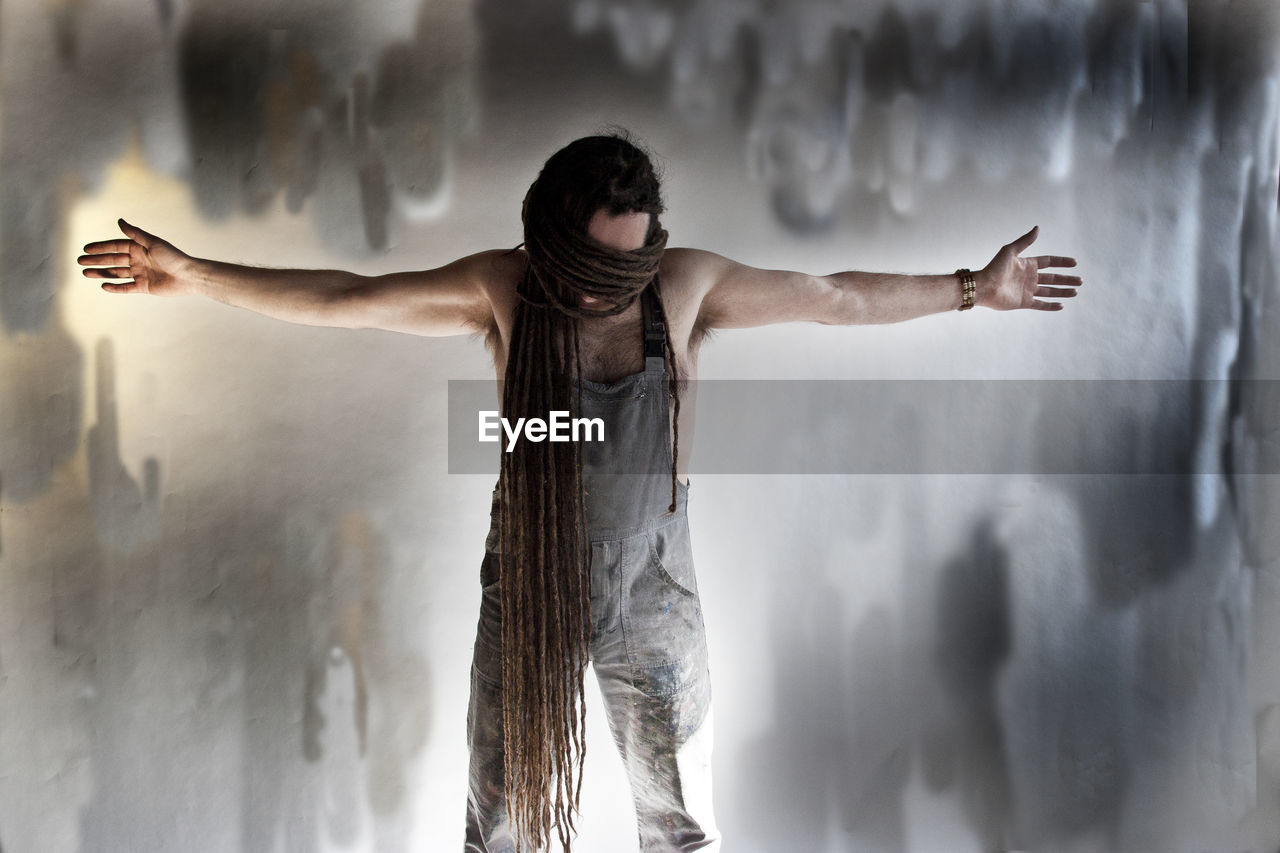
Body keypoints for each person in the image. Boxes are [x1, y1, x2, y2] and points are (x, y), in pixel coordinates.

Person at [79, 133, 1080, 853]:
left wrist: (965, 287)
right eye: (592, 260)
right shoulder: (500, 288)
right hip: (529, 583)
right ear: (548, 235)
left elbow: (835, 295)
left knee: (671, 815)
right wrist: (192, 272)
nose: (610, 283)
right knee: (502, 815)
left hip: (652, 590)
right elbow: (346, 296)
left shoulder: (682, 289)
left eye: (630, 257)